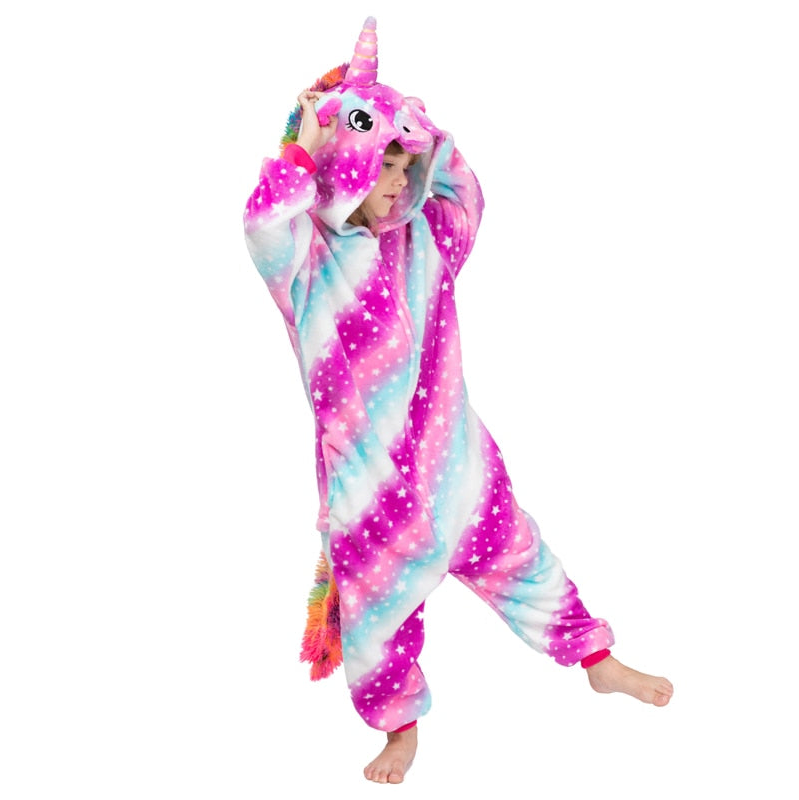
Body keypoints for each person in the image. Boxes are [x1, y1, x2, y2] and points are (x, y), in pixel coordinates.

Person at [244, 17, 673, 785]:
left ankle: (595, 657)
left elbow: (463, 189)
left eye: (403, 168)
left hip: (459, 464)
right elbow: (263, 221)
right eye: (380, 167)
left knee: (525, 558)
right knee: (377, 627)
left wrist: (415, 129)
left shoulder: (428, 239)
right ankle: (400, 731)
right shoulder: (305, 267)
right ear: (340, 167)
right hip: (371, 495)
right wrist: (302, 146)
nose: (395, 184)